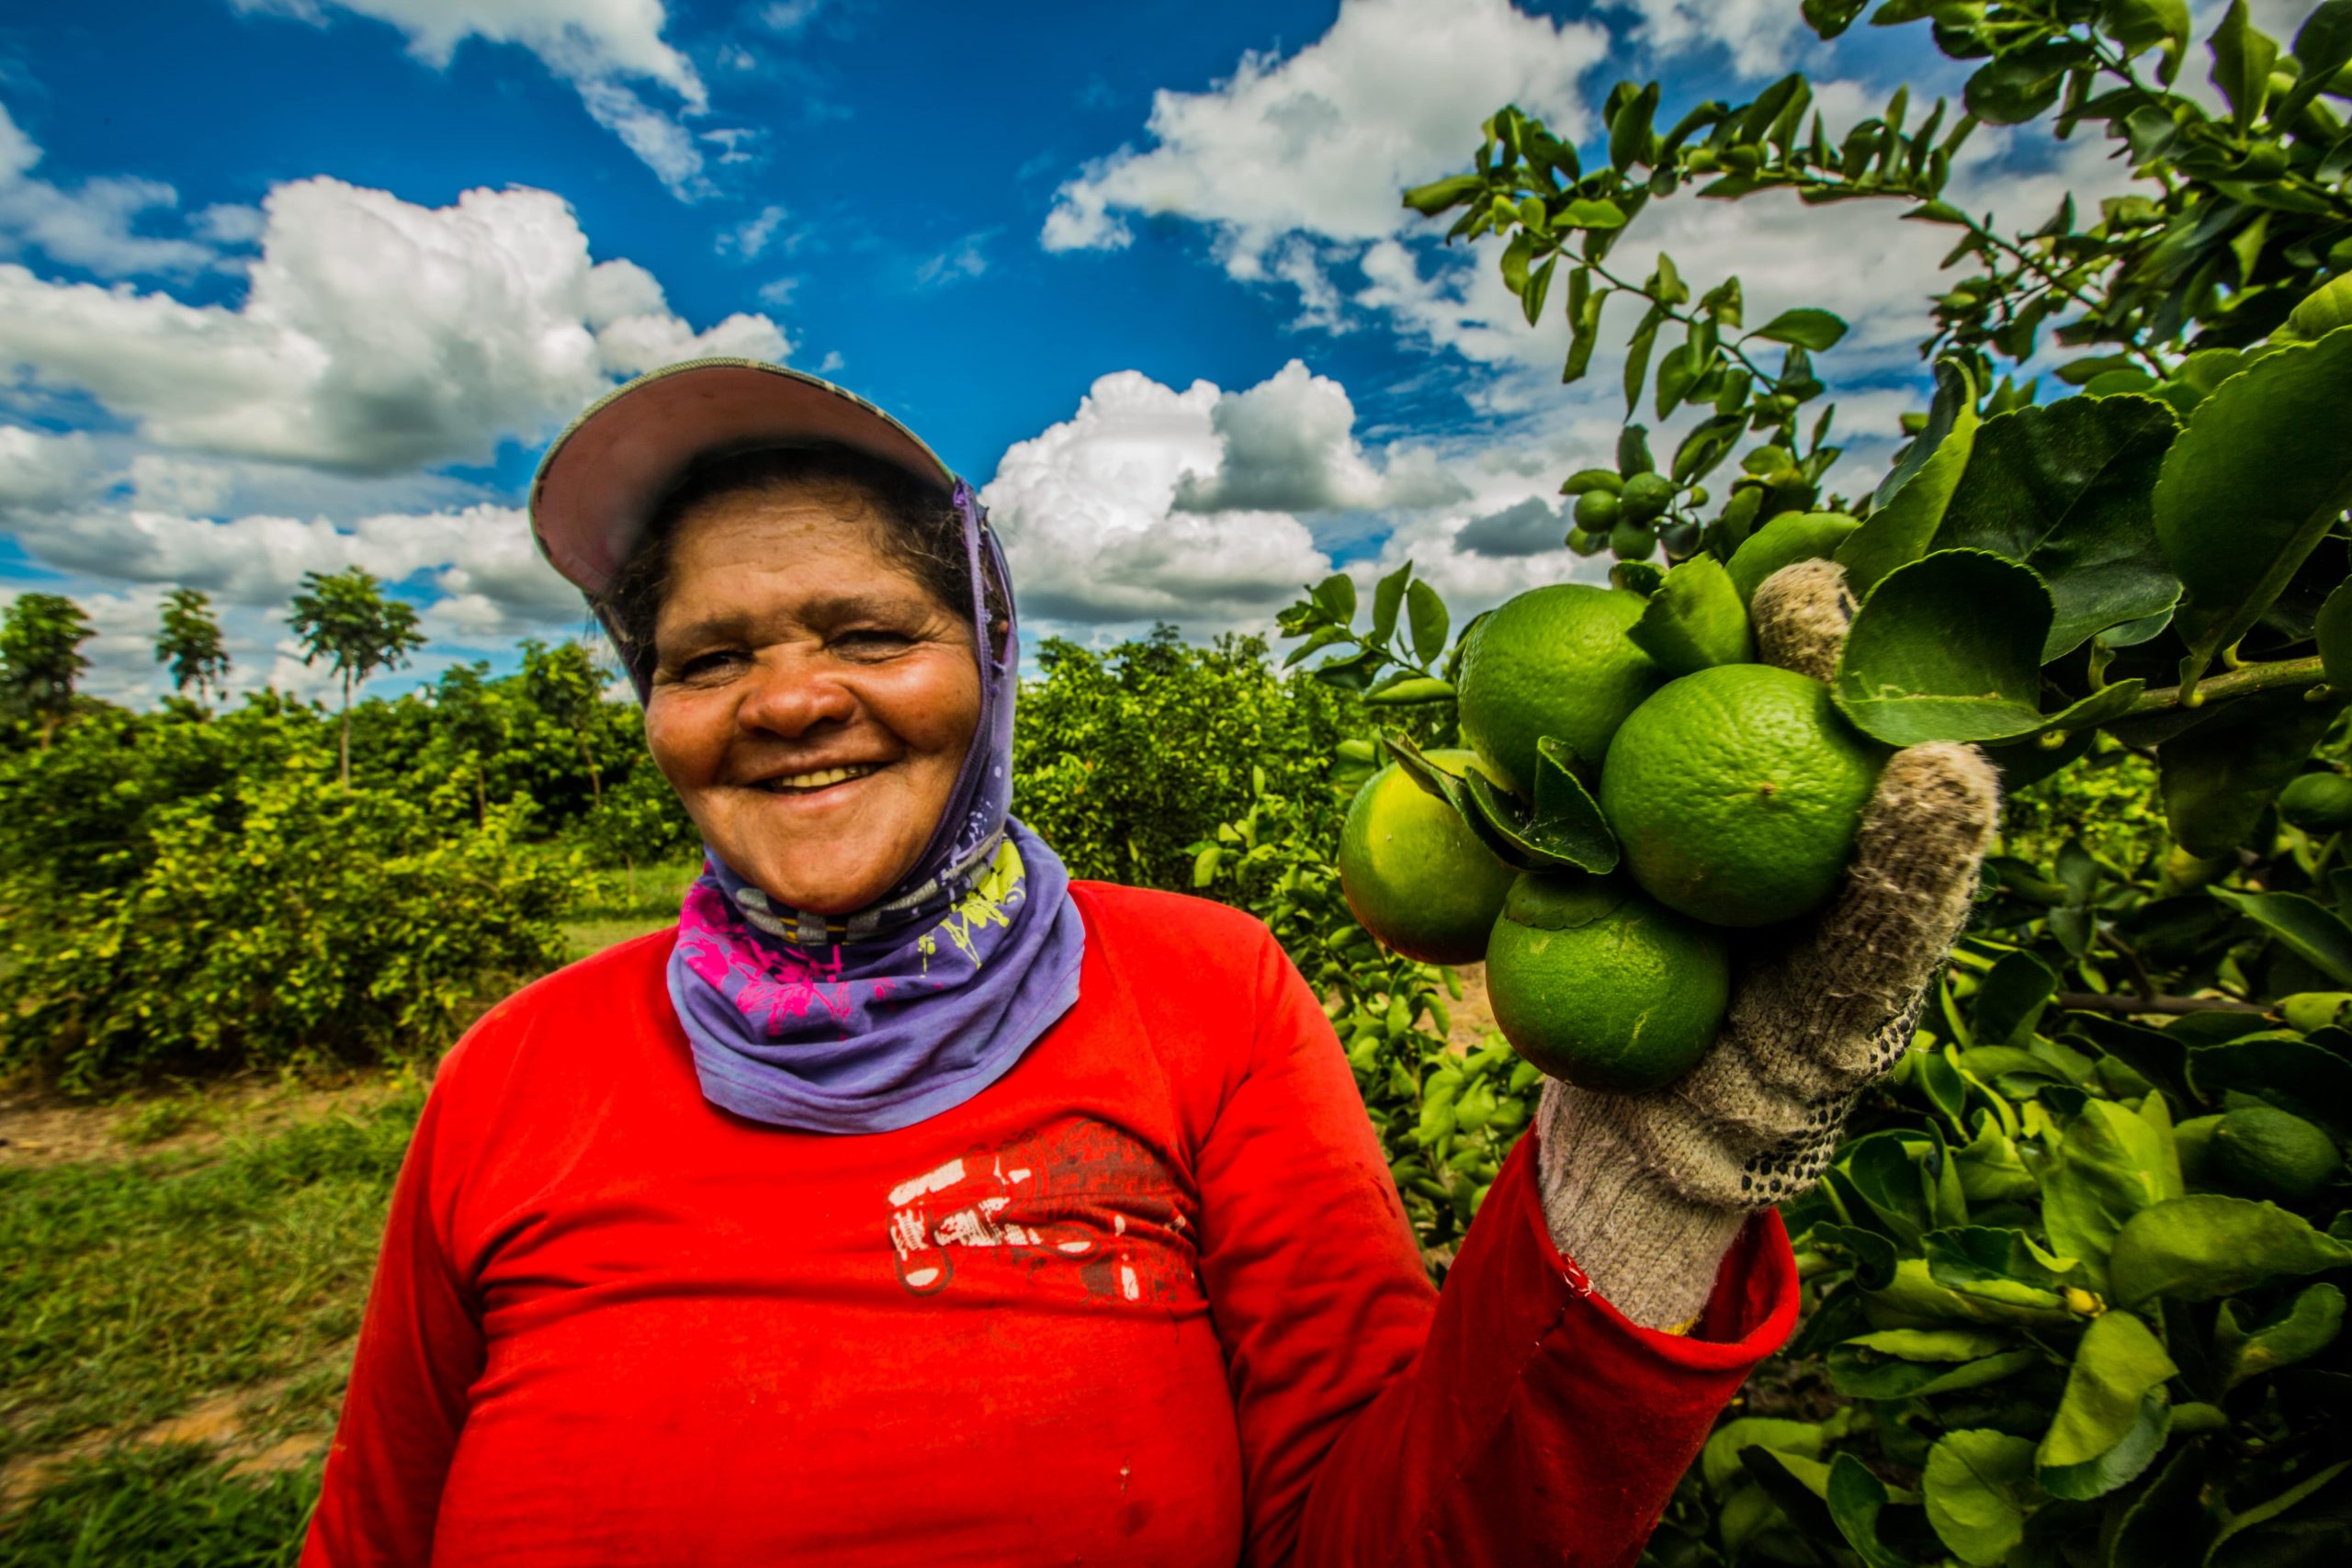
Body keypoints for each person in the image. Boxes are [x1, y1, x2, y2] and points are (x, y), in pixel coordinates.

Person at [300, 360, 1997, 1566]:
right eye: (707, 655)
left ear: (993, 664)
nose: (789, 698)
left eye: (872, 633)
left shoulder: (1201, 989)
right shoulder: (518, 1069)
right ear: (651, 708)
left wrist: (1653, 1180)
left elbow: (1400, 1530)